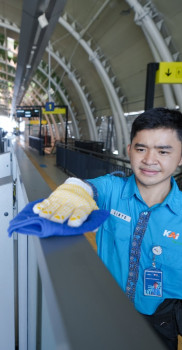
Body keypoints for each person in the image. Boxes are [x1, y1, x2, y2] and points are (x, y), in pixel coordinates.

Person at [33, 107, 182, 350]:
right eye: (141, 148)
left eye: (163, 151)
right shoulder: (113, 189)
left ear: (180, 157)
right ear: (129, 150)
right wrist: (75, 190)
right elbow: (88, 187)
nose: (149, 160)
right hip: (106, 313)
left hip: (160, 324)